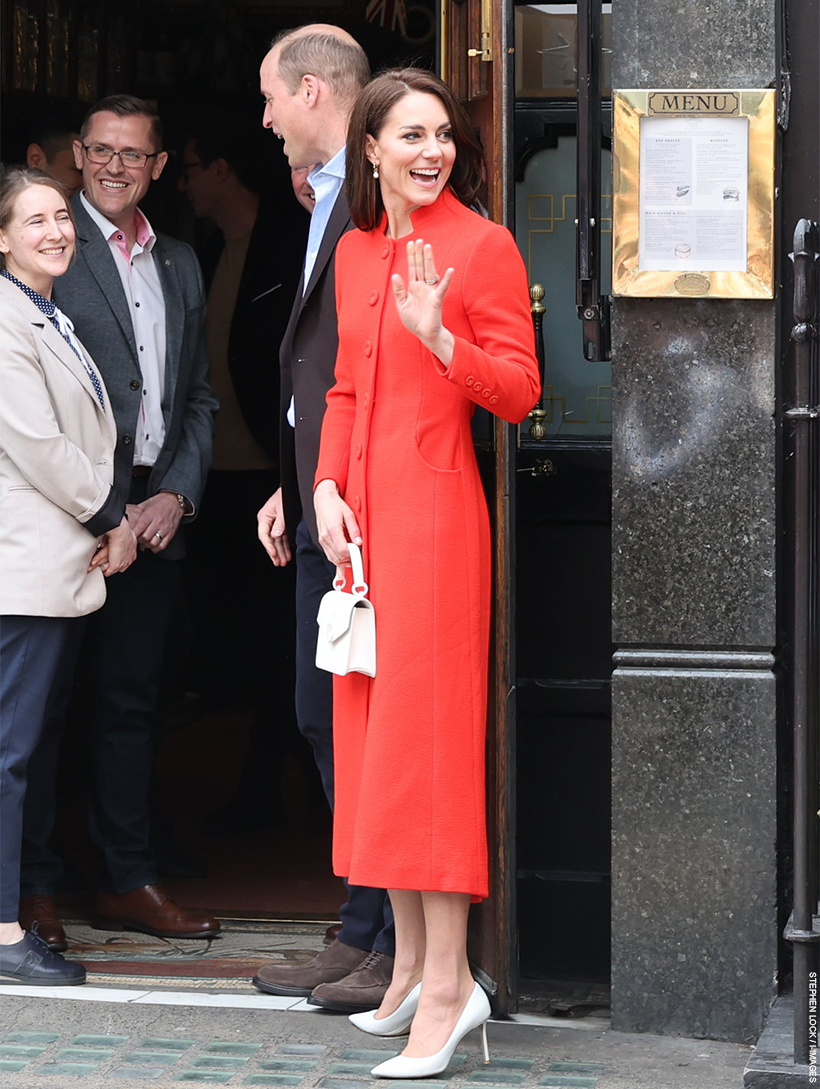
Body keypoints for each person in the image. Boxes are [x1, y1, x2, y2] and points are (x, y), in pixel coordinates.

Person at [312, 69, 540, 1077]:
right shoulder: (358, 247)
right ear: (368, 146)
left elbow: (520, 391)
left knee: (432, 759)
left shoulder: (480, 245)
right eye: (409, 135)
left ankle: (450, 986)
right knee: (380, 754)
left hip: (438, 524)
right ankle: (410, 967)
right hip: (363, 528)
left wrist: (442, 337)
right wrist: (323, 487)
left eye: (441, 135)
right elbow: (344, 387)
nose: (430, 152)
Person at [19, 95, 220, 948]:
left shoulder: (178, 261)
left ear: (158, 167)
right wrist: (111, 513)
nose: (113, 167)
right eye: (100, 151)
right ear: (76, 153)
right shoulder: (53, 250)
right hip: (70, 519)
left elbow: (197, 397)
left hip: (155, 515)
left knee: (131, 704)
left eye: (133, 155)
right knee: (46, 710)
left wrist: (174, 494)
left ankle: (127, 876)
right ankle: (31, 889)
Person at [253, 25, 397, 1014]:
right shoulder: (320, 197)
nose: (264, 121)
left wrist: (334, 486)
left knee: (363, 723)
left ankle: (390, 941)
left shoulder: (377, 190)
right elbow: (321, 365)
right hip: (320, 494)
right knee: (325, 714)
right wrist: (291, 476)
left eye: (270, 99)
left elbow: (375, 360)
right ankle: (359, 928)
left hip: (367, 508)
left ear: (310, 91)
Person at [0, 167, 137, 984]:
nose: (56, 230)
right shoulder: (6, 320)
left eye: (61, 215)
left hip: (50, 570)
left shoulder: (43, 312)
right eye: (35, 219)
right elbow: (40, 444)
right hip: (23, 569)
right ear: (2, 237)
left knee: (24, 747)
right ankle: (4, 929)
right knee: (9, 752)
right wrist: (111, 515)